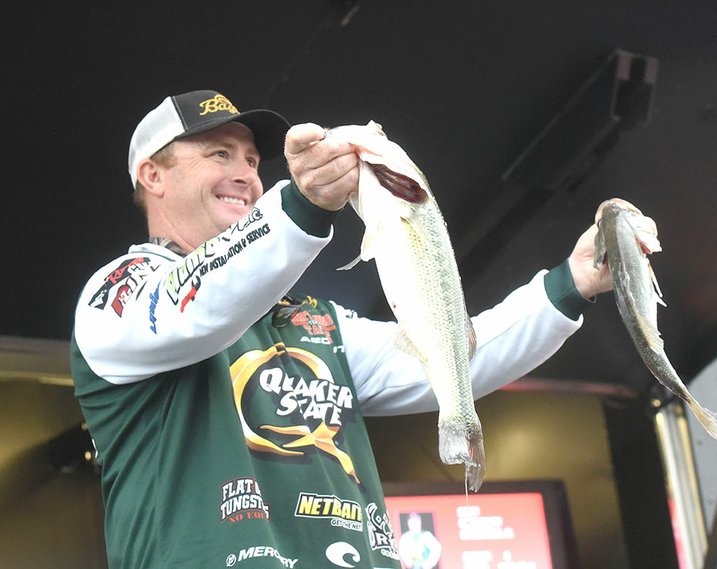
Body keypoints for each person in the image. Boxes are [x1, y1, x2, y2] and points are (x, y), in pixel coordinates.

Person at [71, 89, 638, 569]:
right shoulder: (120, 291)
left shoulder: (311, 320)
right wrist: (301, 205)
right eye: (220, 154)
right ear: (152, 175)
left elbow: (447, 361)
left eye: (251, 161)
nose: (245, 174)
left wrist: (571, 282)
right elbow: (198, 307)